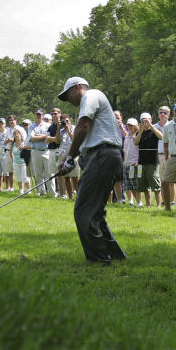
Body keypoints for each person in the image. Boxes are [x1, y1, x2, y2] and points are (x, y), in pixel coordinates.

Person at [55, 76, 126, 264]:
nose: (68, 100)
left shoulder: (91, 95)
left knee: (83, 210)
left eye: (67, 94)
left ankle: (99, 260)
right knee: (95, 212)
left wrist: (70, 158)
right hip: (102, 156)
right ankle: (115, 255)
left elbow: (83, 126)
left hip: (103, 156)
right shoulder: (90, 101)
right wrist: (70, 160)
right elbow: (85, 137)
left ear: (77, 87)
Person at [134, 112, 162, 207]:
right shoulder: (139, 132)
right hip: (141, 162)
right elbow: (135, 142)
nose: (145, 122)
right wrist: (141, 130)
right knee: (144, 185)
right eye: (143, 121)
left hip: (153, 162)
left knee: (155, 185)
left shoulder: (154, 131)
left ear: (151, 120)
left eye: (147, 120)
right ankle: (148, 204)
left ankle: (158, 205)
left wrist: (151, 126)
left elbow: (161, 136)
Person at [122, 118, 141, 206]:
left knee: (135, 184)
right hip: (126, 163)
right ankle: (134, 201)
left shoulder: (137, 136)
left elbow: (140, 151)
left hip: (134, 164)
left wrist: (138, 161)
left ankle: (139, 202)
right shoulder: (126, 136)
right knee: (129, 184)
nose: (129, 127)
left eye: (131, 125)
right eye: (128, 125)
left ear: (135, 126)